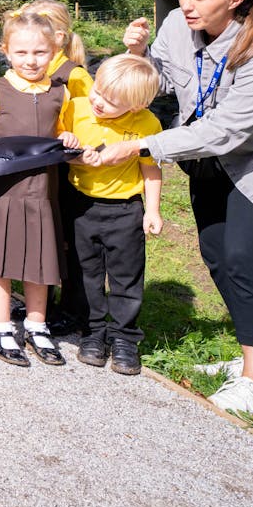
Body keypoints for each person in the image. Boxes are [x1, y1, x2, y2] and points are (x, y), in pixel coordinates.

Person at [96, 0, 253, 412]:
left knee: (243, 257)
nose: (186, 5)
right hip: (208, 160)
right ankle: (249, 356)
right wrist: (137, 57)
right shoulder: (179, 23)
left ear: (236, 0)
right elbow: (158, 82)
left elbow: (226, 130)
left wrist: (138, 147)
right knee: (217, 253)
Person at [0, 12, 78, 368]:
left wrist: (67, 137)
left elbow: (62, 131)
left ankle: (36, 325)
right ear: (6, 51)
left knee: (40, 261)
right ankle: (0, 327)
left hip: (43, 195)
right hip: (6, 193)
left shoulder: (61, 92)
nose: (31, 60)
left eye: (40, 53)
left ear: (54, 50)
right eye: (22, 53)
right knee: (0, 262)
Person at [64, 54, 164, 378]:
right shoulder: (77, 109)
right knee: (86, 273)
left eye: (110, 100)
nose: (98, 101)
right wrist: (79, 159)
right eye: (98, 91)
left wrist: (152, 210)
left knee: (126, 276)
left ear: (135, 107)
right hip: (83, 206)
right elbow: (61, 150)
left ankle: (124, 337)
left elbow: (151, 169)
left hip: (125, 210)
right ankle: (93, 331)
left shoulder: (147, 124)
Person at [19, 0, 93, 335]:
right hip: (39, 171)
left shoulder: (73, 76)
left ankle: (74, 309)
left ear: (59, 38)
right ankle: (42, 305)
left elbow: (87, 124)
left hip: (68, 171)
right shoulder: (28, 72)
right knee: (44, 237)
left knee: (68, 241)